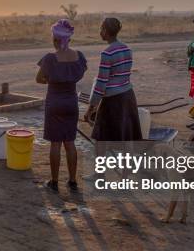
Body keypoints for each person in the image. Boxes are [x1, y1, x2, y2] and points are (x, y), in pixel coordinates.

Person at [37, 19, 87, 192]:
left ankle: (54, 181)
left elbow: (39, 79)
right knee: (70, 142)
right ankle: (72, 181)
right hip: (71, 103)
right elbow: (78, 75)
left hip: (54, 102)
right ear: (69, 39)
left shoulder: (49, 59)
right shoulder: (79, 57)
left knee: (55, 143)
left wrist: (52, 81)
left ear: (55, 40)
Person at [84, 17, 142, 148]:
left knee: (101, 141)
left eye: (101, 29)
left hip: (112, 101)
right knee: (127, 138)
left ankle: (101, 168)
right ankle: (128, 168)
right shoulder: (127, 49)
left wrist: (90, 108)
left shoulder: (107, 53)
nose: (100, 31)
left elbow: (101, 83)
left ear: (105, 30)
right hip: (128, 97)